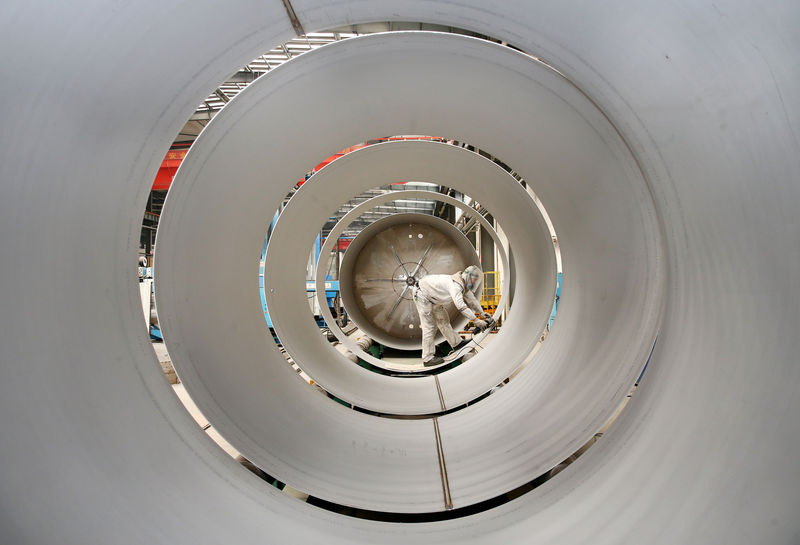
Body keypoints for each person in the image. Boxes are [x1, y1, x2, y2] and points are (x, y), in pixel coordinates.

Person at [413, 264, 493, 366]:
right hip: (422, 295)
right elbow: (461, 306)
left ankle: (457, 344)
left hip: (433, 297)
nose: (474, 282)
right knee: (430, 327)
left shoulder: (462, 283)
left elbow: (472, 300)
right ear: (468, 277)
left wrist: (482, 313)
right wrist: (476, 320)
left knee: (444, 321)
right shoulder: (455, 285)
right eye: (474, 280)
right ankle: (427, 358)